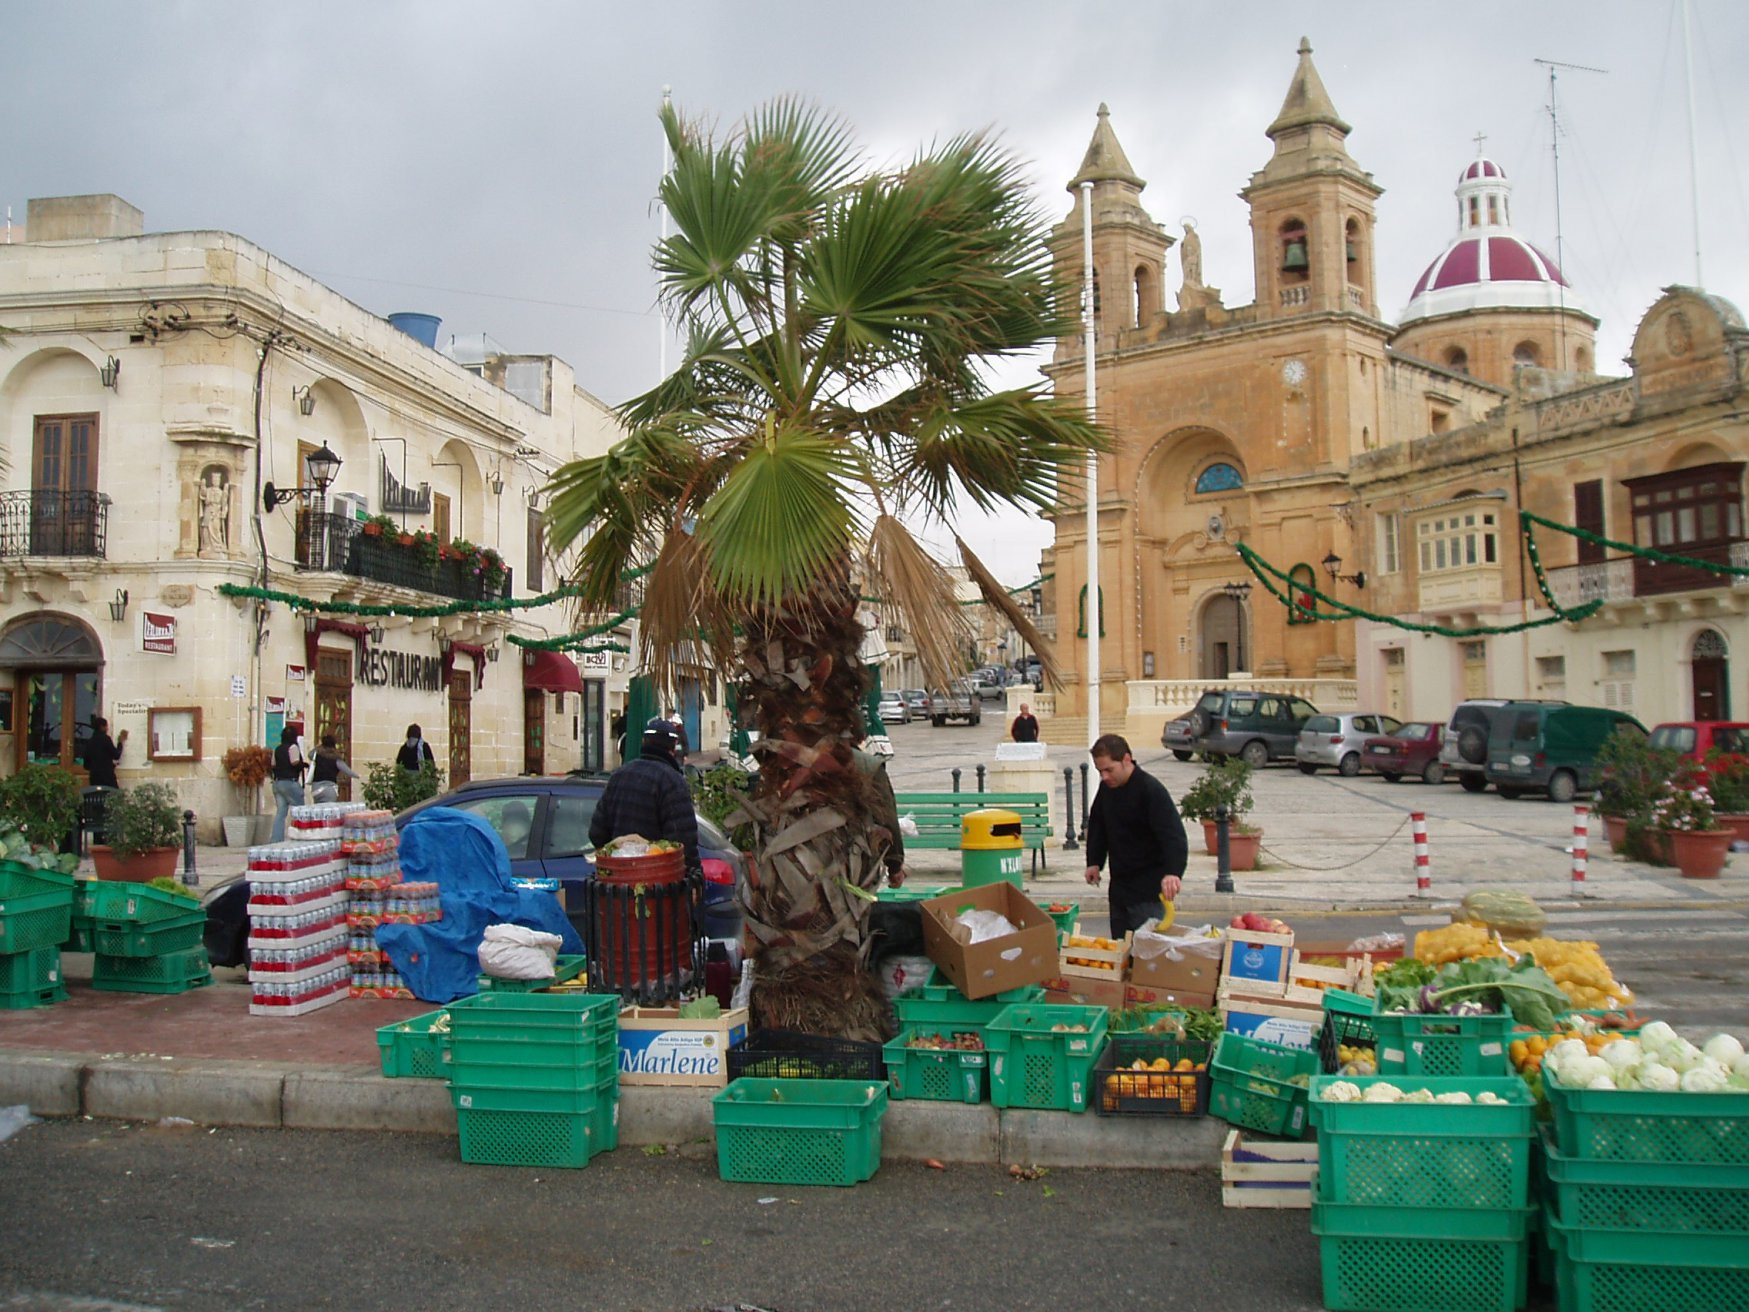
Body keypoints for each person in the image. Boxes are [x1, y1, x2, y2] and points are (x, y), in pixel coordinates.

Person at [1082, 733, 1188, 937]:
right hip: (1120, 887)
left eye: (1109, 770)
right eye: (1100, 771)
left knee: (1147, 955)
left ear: (1126, 760)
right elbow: (1098, 824)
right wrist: (1094, 861)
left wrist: (1173, 872)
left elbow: (1173, 835)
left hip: (1148, 891)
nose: (1104, 777)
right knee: (1121, 950)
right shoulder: (1107, 789)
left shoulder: (1150, 790)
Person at [589, 718, 701, 876]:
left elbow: (596, 833)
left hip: (617, 883)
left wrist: (620, 854)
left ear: (644, 742)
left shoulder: (618, 776)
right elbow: (683, 842)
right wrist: (694, 875)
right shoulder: (672, 782)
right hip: (657, 885)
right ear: (674, 746)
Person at [852, 742, 907, 888]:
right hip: (854, 862)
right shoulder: (867, 765)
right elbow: (886, 817)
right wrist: (894, 864)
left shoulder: (793, 758)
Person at [269, 726, 307, 843]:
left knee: (280, 813)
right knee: (300, 811)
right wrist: (304, 765)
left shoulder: (277, 749)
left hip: (278, 783)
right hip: (290, 782)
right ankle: (300, 837)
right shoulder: (293, 747)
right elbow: (294, 762)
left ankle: (276, 840)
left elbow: (273, 765)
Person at [308, 733, 359, 803]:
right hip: (329, 789)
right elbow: (348, 771)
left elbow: (310, 754)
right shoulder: (336, 759)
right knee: (329, 811)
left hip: (316, 789)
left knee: (318, 811)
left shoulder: (317, 755)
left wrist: (319, 746)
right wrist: (357, 776)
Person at [82, 716, 127, 789]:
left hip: (94, 778)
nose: (107, 728)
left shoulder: (90, 742)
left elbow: (86, 765)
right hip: (107, 777)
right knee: (113, 797)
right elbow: (116, 755)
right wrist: (120, 743)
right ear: (101, 727)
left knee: (97, 798)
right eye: (106, 726)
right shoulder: (105, 739)